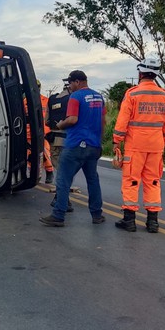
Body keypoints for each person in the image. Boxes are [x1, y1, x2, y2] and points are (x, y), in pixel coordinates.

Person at [113, 58, 165, 233]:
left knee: (132, 180)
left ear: (140, 73)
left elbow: (122, 120)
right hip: (156, 146)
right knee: (153, 181)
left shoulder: (133, 94)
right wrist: (162, 141)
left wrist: (117, 140)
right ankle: (153, 222)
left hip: (135, 145)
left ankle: (129, 220)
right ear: (155, 75)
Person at [39, 70, 106, 227]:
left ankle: (58, 215)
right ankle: (97, 215)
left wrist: (61, 124)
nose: (70, 86)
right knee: (93, 180)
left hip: (75, 145)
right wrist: (99, 142)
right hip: (93, 145)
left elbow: (73, 119)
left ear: (77, 82)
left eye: (70, 83)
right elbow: (103, 121)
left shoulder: (75, 97)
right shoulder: (99, 97)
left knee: (63, 179)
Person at [45, 81, 74, 212]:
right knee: (67, 171)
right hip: (69, 140)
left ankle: (61, 197)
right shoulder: (73, 100)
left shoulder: (52, 99)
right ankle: (62, 198)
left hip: (55, 140)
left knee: (60, 170)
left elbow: (47, 121)